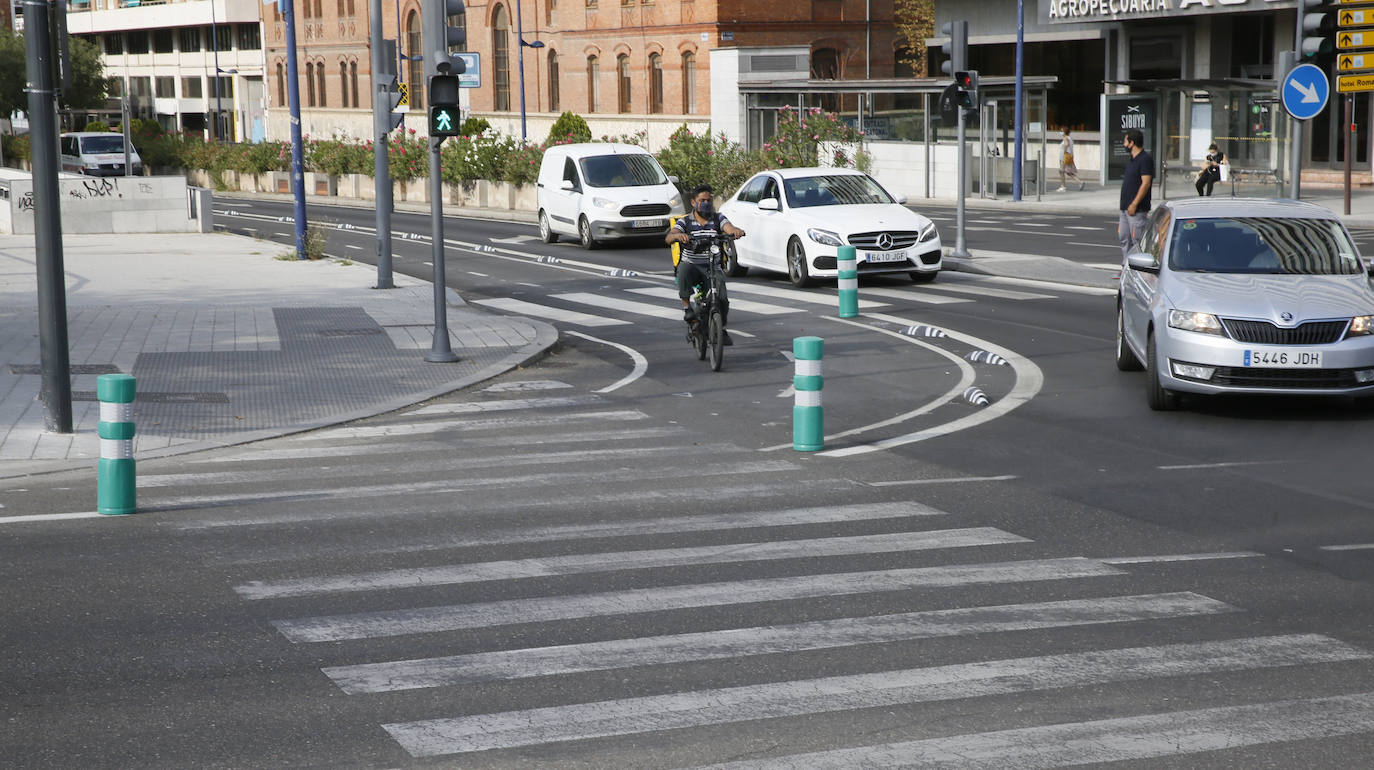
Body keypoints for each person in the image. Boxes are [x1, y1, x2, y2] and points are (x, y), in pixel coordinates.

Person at [666, 184, 746, 344]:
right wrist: (678, 236)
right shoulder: (686, 221)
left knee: (722, 297)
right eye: (702, 200)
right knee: (683, 270)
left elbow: (729, 227)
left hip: (712, 267)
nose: (706, 203)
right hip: (692, 265)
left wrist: (735, 231)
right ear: (694, 202)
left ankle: (720, 327)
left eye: (708, 200)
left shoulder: (718, 218)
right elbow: (669, 236)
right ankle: (687, 308)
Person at [1119, 128, 1154, 257]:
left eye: (1125, 141)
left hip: (1137, 209)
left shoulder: (1145, 159)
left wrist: (1134, 204)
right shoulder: (1132, 160)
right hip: (1125, 207)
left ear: (1131, 143)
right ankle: (1125, 269)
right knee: (1124, 238)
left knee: (1137, 241)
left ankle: (1139, 270)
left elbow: (1146, 183)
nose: (1124, 145)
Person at [1056, 127, 1084, 192]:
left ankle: (1063, 187)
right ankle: (1080, 182)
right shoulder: (1070, 138)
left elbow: (1066, 144)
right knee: (1068, 172)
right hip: (1069, 157)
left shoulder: (1065, 138)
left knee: (1061, 171)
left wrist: (1064, 152)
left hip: (1064, 157)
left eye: (1061, 131)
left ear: (1065, 132)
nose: (1060, 132)